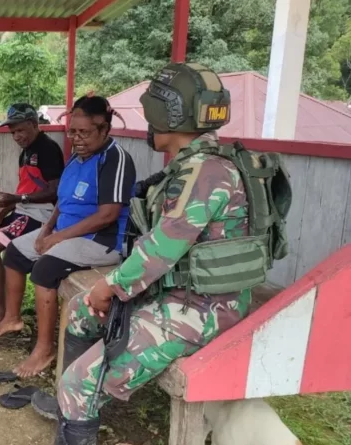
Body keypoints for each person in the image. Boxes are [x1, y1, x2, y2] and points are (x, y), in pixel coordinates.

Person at [47, 63, 288, 444]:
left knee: (80, 383)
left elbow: (160, 250)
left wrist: (110, 286)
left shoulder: (206, 173)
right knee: (80, 311)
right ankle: (71, 406)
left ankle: (77, 398)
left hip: (204, 310)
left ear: (168, 116)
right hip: (178, 295)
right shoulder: (195, 165)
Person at [0, 95, 137, 380]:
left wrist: (57, 238)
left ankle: (45, 349)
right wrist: (46, 231)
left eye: (83, 132)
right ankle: (12, 318)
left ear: (104, 129)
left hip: (101, 240)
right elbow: (61, 202)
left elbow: (107, 215)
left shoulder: (115, 158)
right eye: (72, 132)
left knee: (44, 269)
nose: (76, 139)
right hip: (67, 234)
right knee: (15, 253)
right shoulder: (77, 157)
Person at [0, 103, 65, 333]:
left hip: (41, 214)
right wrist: (2, 213)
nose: (17, 136)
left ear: (34, 124)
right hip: (23, 210)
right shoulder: (26, 151)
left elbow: (54, 191)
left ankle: (2, 311)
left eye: (20, 130)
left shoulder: (47, 149)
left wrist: (16, 198)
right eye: (13, 132)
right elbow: (24, 191)